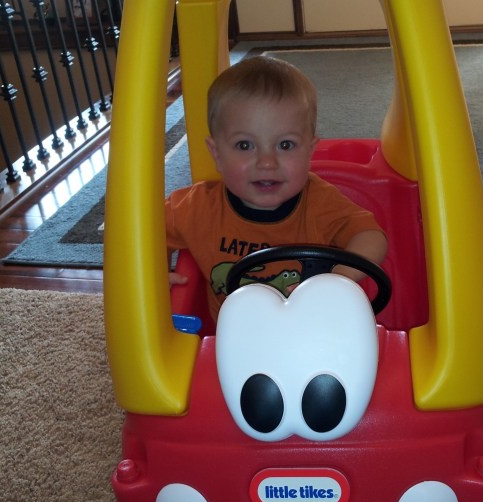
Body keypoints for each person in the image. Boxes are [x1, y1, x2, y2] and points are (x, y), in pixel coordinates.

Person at [165, 55, 387, 322]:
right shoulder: (196, 207)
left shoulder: (320, 202)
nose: (267, 162)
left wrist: (340, 277)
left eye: (285, 145)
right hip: (236, 340)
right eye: (245, 145)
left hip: (318, 332)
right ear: (217, 154)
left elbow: (371, 237)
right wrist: (152, 275)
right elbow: (142, 233)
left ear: (310, 151)